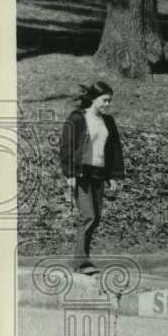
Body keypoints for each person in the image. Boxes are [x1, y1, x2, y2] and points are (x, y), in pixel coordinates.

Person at [59, 81, 124, 275]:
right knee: (88, 216)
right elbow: (66, 146)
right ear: (94, 99)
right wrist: (69, 172)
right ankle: (81, 262)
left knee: (96, 218)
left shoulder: (108, 121)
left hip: (98, 174)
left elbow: (115, 150)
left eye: (109, 101)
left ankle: (82, 259)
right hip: (82, 174)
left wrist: (114, 176)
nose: (107, 104)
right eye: (104, 100)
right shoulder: (78, 118)